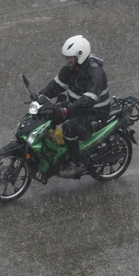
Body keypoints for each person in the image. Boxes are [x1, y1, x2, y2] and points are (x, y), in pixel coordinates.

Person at [37, 35, 111, 176]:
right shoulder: (70, 69)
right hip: (76, 106)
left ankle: (76, 163)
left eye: (71, 57)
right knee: (49, 114)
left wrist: (68, 108)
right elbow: (56, 86)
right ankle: (54, 152)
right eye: (67, 57)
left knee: (69, 128)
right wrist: (42, 96)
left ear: (80, 55)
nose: (68, 60)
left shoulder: (96, 72)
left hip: (96, 111)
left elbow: (90, 98)